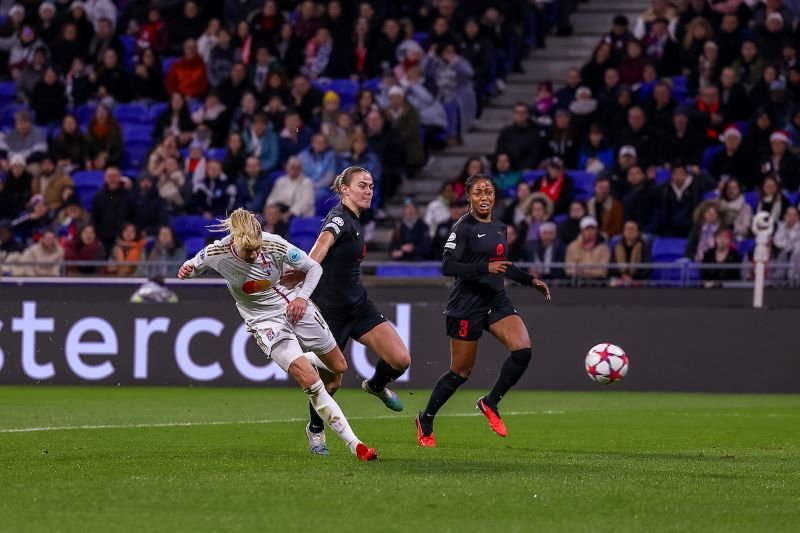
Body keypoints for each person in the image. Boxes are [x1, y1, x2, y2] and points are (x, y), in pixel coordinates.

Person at [177, 208, 378, 461]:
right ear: (235, 241)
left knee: (338, 369)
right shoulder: (217, 252)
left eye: (257, 248)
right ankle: (355, 445)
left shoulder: (274, 243)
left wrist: (302, 298)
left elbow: (314, 268)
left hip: (295, 303)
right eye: (249, 251)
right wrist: (186, 270)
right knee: (311, 382)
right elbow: (193, 266)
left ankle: (303, 363)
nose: (255, 254)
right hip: (264, 321)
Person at [280, 167, 411, 455]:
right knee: (332, 383)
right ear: (345, 190)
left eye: (371, 186)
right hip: (331, 313)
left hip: (359, 306)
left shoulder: (356, 220)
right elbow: (321, 244)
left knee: (401, 359)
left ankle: (376, 386)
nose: (368, 191)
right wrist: (304, 282)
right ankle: (315, 429)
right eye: (362, 185)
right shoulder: (339, 216)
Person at [415, 173, 550, 447]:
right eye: (478, 192)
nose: (484, 197)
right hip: (466, 304)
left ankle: (490, 402)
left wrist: (530, 280)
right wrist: (483, 268)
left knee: (523, 350)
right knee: (460, 373)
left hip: (495, 300)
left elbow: (502, 263)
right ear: (469, 197)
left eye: (488, 192)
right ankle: (426, 417)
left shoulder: (500, 226)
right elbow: (448, 266)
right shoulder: (463, 227)